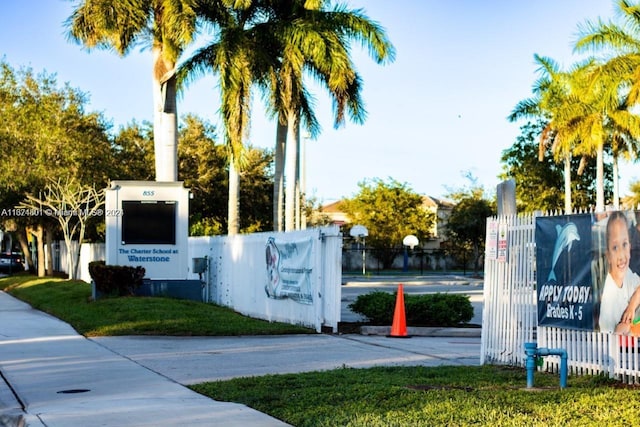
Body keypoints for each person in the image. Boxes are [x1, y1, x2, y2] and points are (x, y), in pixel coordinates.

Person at [598, 211, 640, 334]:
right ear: (608, 255)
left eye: (624, 244)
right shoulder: (608, 300)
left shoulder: (628, 274)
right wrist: (622, 330)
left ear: (630, 247)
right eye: (615, 247)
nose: (622, 256)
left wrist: (631, 307)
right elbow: (607, 342)